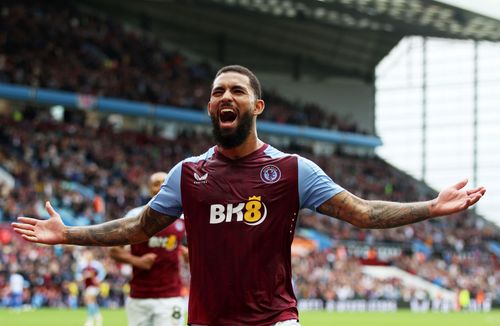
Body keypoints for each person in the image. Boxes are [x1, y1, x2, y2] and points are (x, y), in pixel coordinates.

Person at [12, 65, 486, 326]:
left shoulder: (293, 170)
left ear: (256, 106)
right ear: (211, 107)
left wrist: (430, 207)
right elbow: (138, 227)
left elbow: (361, 212)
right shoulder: (187, 174)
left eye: (237, 90)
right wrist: (68, 233)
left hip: (275, 320)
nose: (225, 96)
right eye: (218, 91)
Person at [108, 172, 187, 326]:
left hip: (170, 296)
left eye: (164, 182)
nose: (160, 186)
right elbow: (114, 250)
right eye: (156, 183)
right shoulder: (135, 215)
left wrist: (188, 256)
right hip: (139, 296)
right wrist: (137, 261)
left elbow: (192, 252)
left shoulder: (183, 219)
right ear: (150, 189)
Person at [76, 250, 106, 326]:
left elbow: (102, 273)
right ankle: (98, 316)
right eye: (86, 255)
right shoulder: (82, 265)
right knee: (91, 302)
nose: (88, 257)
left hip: (94, 285)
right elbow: (77, 275)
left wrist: (97, 279)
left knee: (89, 298)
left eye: (89, 255)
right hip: (86, 286)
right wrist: (84, 276)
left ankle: (90, 319)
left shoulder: (97, 265)